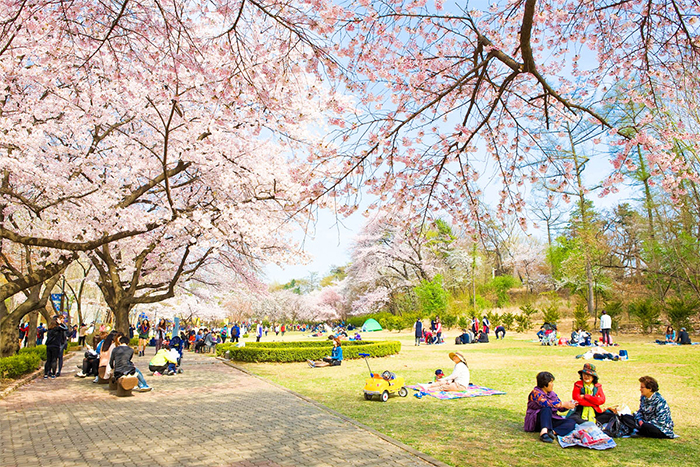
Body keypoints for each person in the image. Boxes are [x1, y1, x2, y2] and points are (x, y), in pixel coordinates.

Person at [524, 371, 577, 443]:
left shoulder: (552, 394)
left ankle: (552, 432)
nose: (552, 384)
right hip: (536, 420)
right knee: (546, 408)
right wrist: (563, 404)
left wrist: (569, 405)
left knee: (571, 422)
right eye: (551, 382)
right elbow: (546, 403)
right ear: (544, 384)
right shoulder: (535, 393)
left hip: (550, 419)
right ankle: (544, 433)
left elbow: (560, 408)